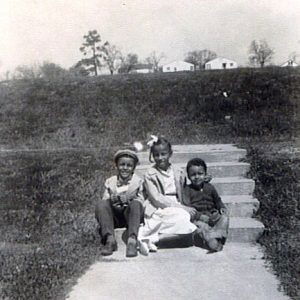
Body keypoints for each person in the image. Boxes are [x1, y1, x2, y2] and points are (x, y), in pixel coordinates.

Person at [138, 136, 204, 253]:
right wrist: (182, 207)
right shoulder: (150, 174)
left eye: (163, 154)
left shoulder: (178, 171)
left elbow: (187, 187)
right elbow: (156, 198)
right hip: (159, 207)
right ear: (152, 156)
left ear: (170, 154)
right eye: (156, 155)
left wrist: (203, 182)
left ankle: (153, 239)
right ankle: (146, 235)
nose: (160, 158)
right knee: (183, 217)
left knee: (186, 223)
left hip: (178, 204)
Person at [95, 149, 144, 258]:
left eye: (129, 165)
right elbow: (105, 200)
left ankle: (132, 240)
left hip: (130, 216)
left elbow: (142, 202)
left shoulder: (138, 182)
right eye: (122, 164)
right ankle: (110, 239)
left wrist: (129, 200)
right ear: (116, 166)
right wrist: (111, 199)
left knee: (136, 204)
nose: (125, 168)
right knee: (101, 204)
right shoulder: (111, 181)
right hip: (115, 217)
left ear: (134, 168)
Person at [182, 158, 229, 252]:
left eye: (200, 174)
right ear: (188, 176)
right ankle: (213, 240)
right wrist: (200, 216)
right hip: (199, 219)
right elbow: (187, 208)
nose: (197, 177)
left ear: (205, 174)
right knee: (200, 227)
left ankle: (215, 236)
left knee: (224, 218)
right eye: (193, 174)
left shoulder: (210, 187)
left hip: (212, 216)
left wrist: (221, 207)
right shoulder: (187, 190)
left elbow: (217, 200)